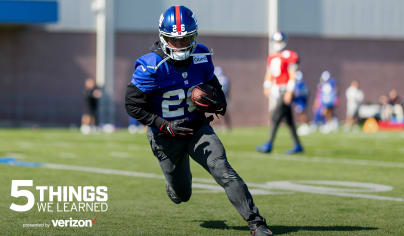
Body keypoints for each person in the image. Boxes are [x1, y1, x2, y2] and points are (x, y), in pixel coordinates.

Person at [124, 6, 273, 236]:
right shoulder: (151, 65)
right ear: (163, 38)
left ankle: (257, 223)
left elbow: (214, 86)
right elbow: (132, 104)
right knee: (182, 195)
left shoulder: (201, 57)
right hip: (166, 135)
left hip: (197, 128)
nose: (181, 46)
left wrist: (218, 101)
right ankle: (173, 188)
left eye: (186, 39)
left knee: (223, 169)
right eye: (175, 40)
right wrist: (163, 124)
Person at [257, 31, 303, 154]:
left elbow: (292, 76)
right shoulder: (272, 57)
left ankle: (269, 144)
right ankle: (298, 145)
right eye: (276, 41)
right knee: (289, 120)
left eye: (279, 41)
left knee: (275, 116)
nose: (277, 44)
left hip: (285, 90)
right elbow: (270, 73)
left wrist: (289, 91)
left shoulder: (290, 55)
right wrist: (266, 85)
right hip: (276, 90)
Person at [214, 66, 232, 131]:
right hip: (224, 98)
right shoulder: (226, 79)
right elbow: (228, 90)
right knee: (225, 113)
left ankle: (219, 126)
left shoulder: (216, 79)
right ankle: (227, 126)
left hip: (218, 98)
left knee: (217, 113)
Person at [292, 71, 310, 136]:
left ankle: (305, 125)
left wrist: (299, 94)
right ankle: (303, 125)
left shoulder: (302, 84)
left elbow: (305, 93)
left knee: (302, 113)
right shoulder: (296, 83)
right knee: (300, 114)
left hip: (301, 102)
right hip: (298, 102)